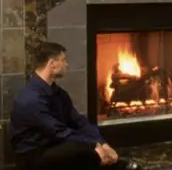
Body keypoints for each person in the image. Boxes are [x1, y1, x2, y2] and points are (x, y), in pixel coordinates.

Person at [11, 42, 142, 170]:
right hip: (34, 155)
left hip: (54, 144)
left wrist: (102, 143)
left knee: (85, 146)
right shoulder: (31, 98)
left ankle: (120, 165)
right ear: (52, 64)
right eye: (63, 60)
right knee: (81, 150)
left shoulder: (58, 93)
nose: (66, 64)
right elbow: (57, 132)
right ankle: (121, 166)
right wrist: (92, 145)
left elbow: (78, 121)